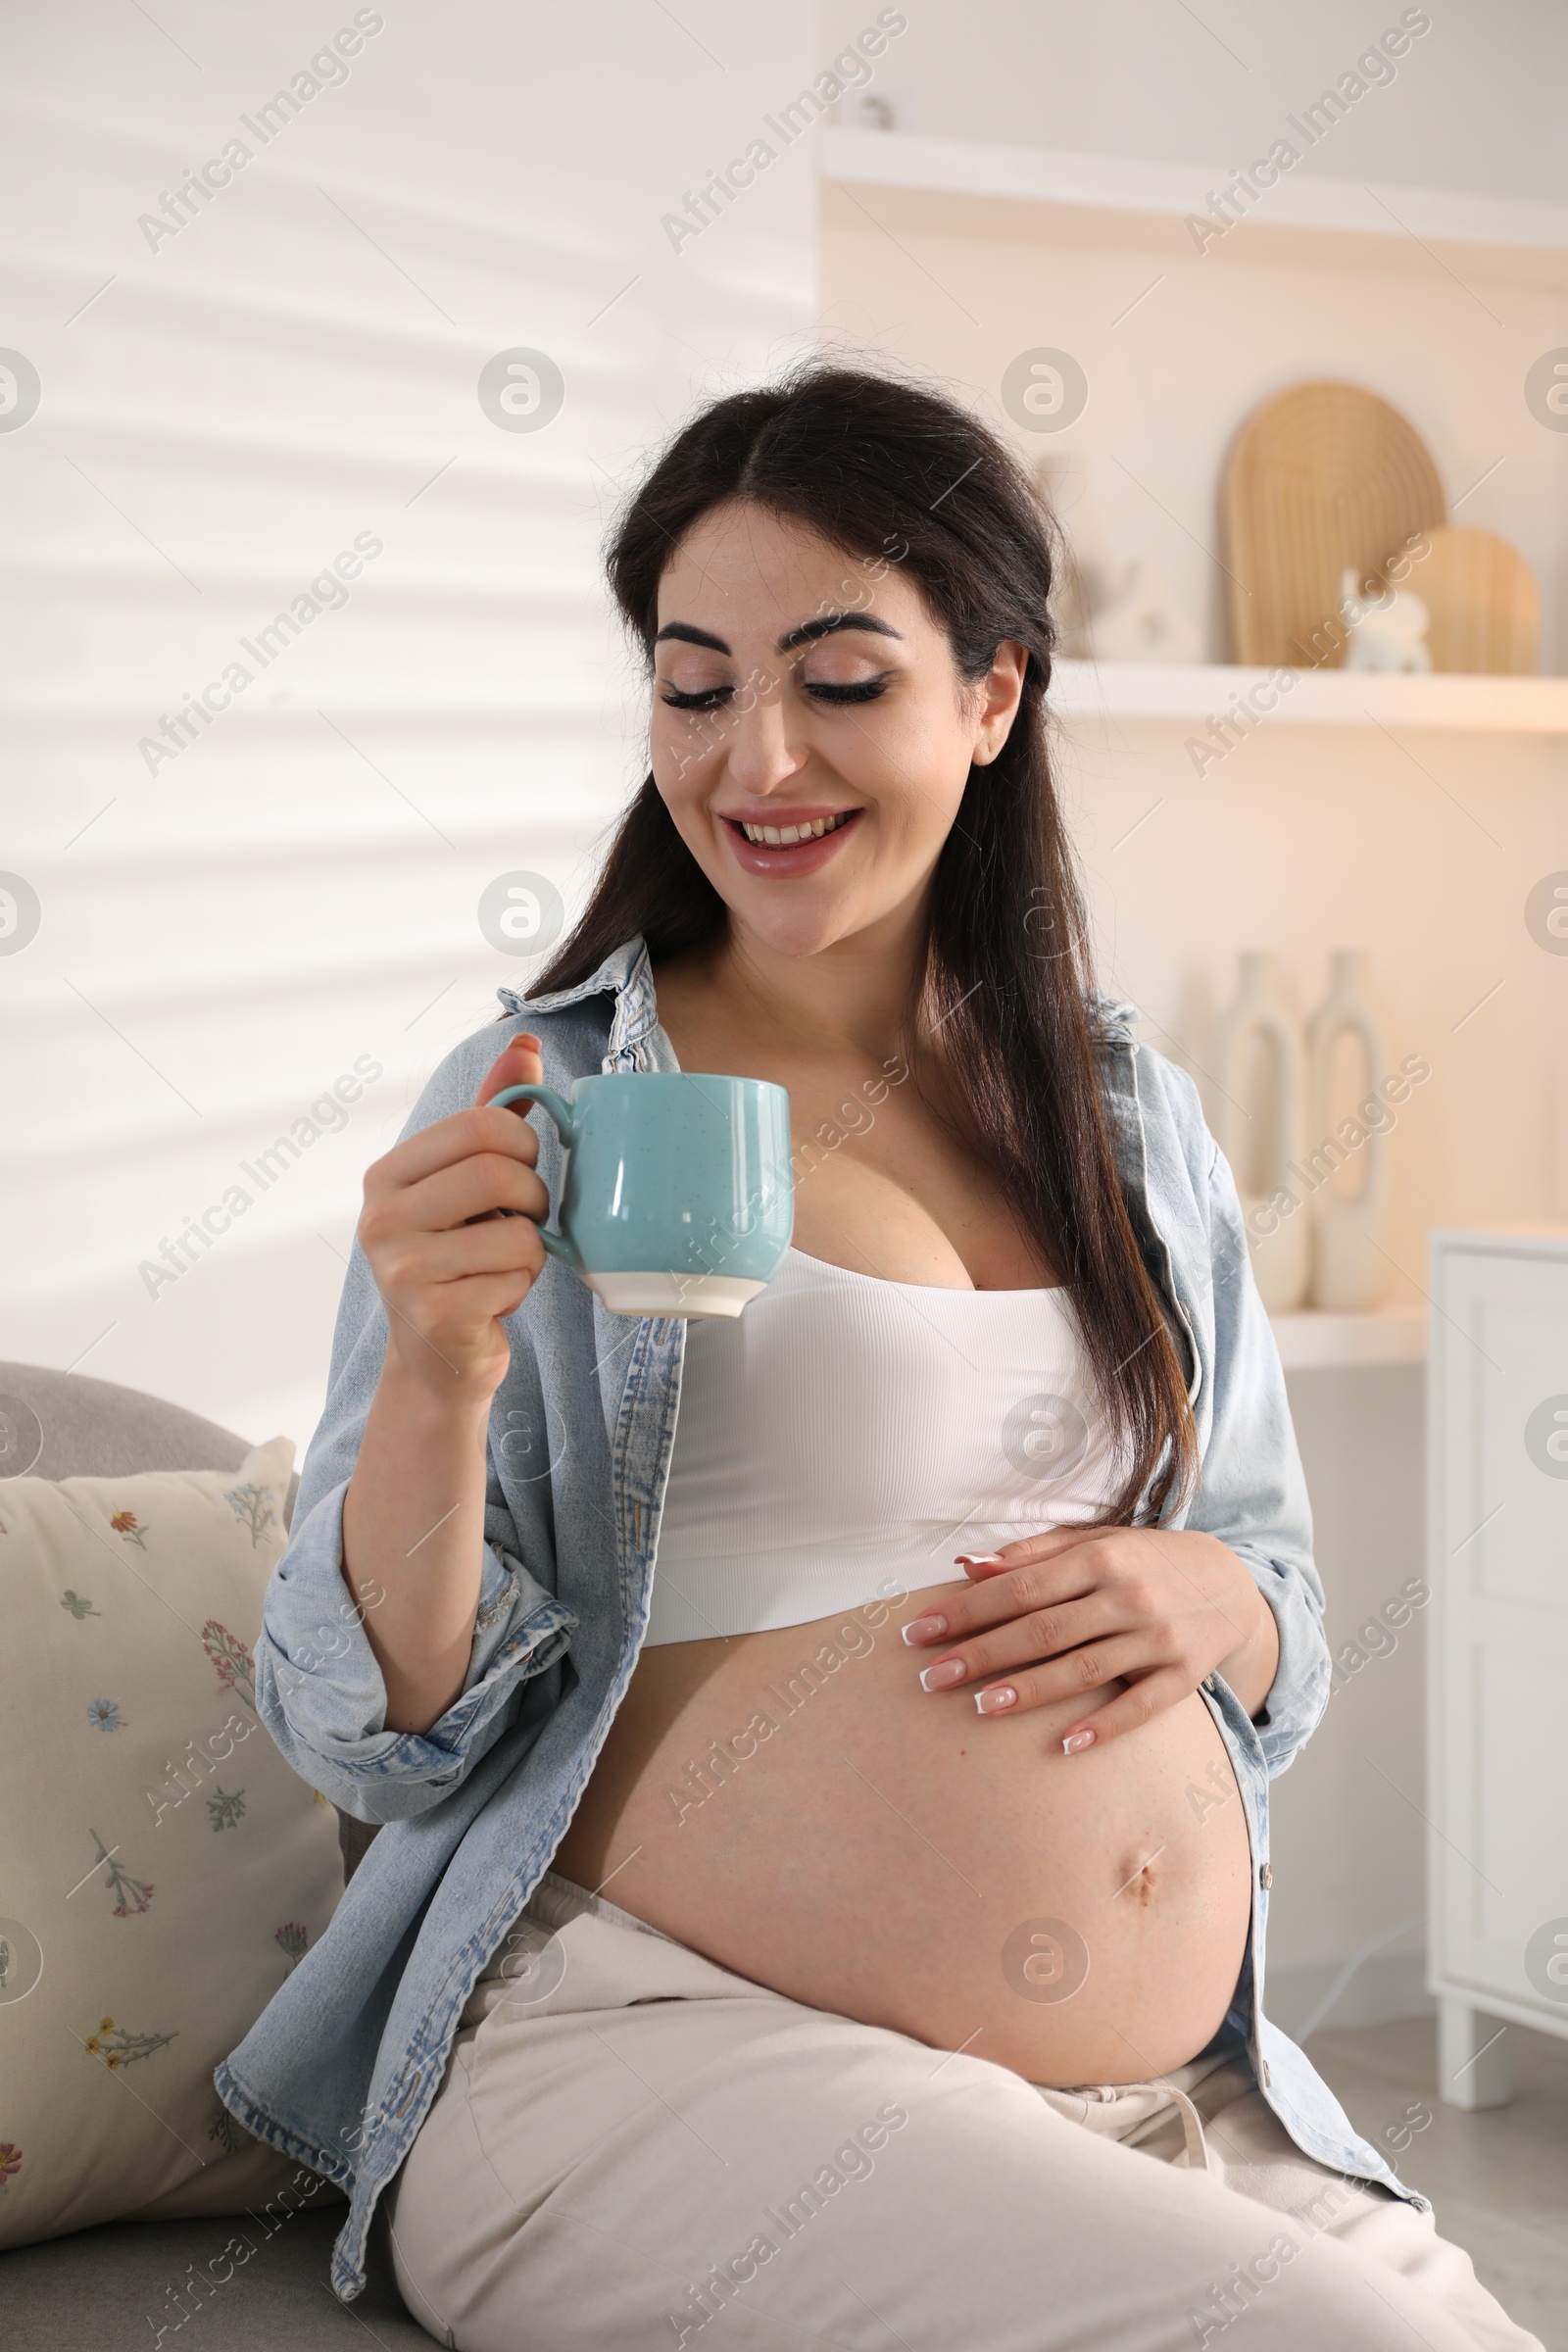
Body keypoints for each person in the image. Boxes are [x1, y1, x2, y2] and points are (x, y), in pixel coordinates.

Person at [220, 365, 1540, 2351]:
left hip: (1134, 2102)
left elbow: (1272, 1620)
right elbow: (366, 1734)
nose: (753, 755)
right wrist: (432, 1374)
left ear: (991, 695)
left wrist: (1214, 1602)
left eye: (838, 679)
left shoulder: (1128, 1125)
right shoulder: (553, 1097)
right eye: (692, 683)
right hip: (653, 2050)